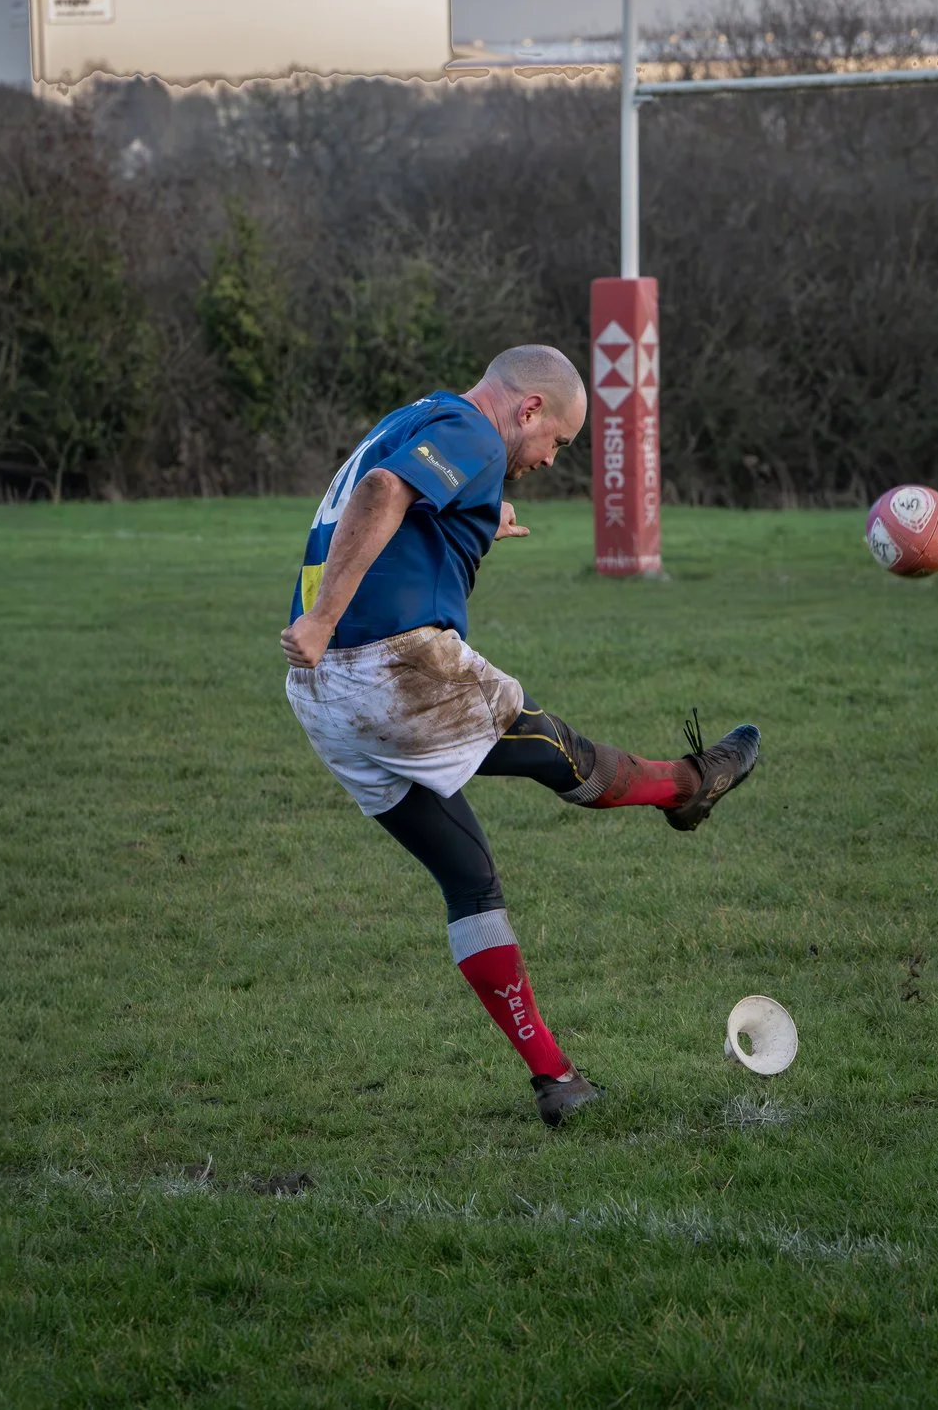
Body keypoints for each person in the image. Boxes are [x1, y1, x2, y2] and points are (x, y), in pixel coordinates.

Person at [280, 344, 759, 1127]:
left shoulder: (417, 417)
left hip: (322, 695)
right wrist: (324, 614)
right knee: (565, 757)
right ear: (528, 408)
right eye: (557, 442)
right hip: (393, 666)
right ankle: (689, 785)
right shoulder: (470, 428)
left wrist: (478, 515)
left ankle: (557, 1080)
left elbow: (393, 497)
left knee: (469, 878)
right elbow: (382, 489)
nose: (547, 458)